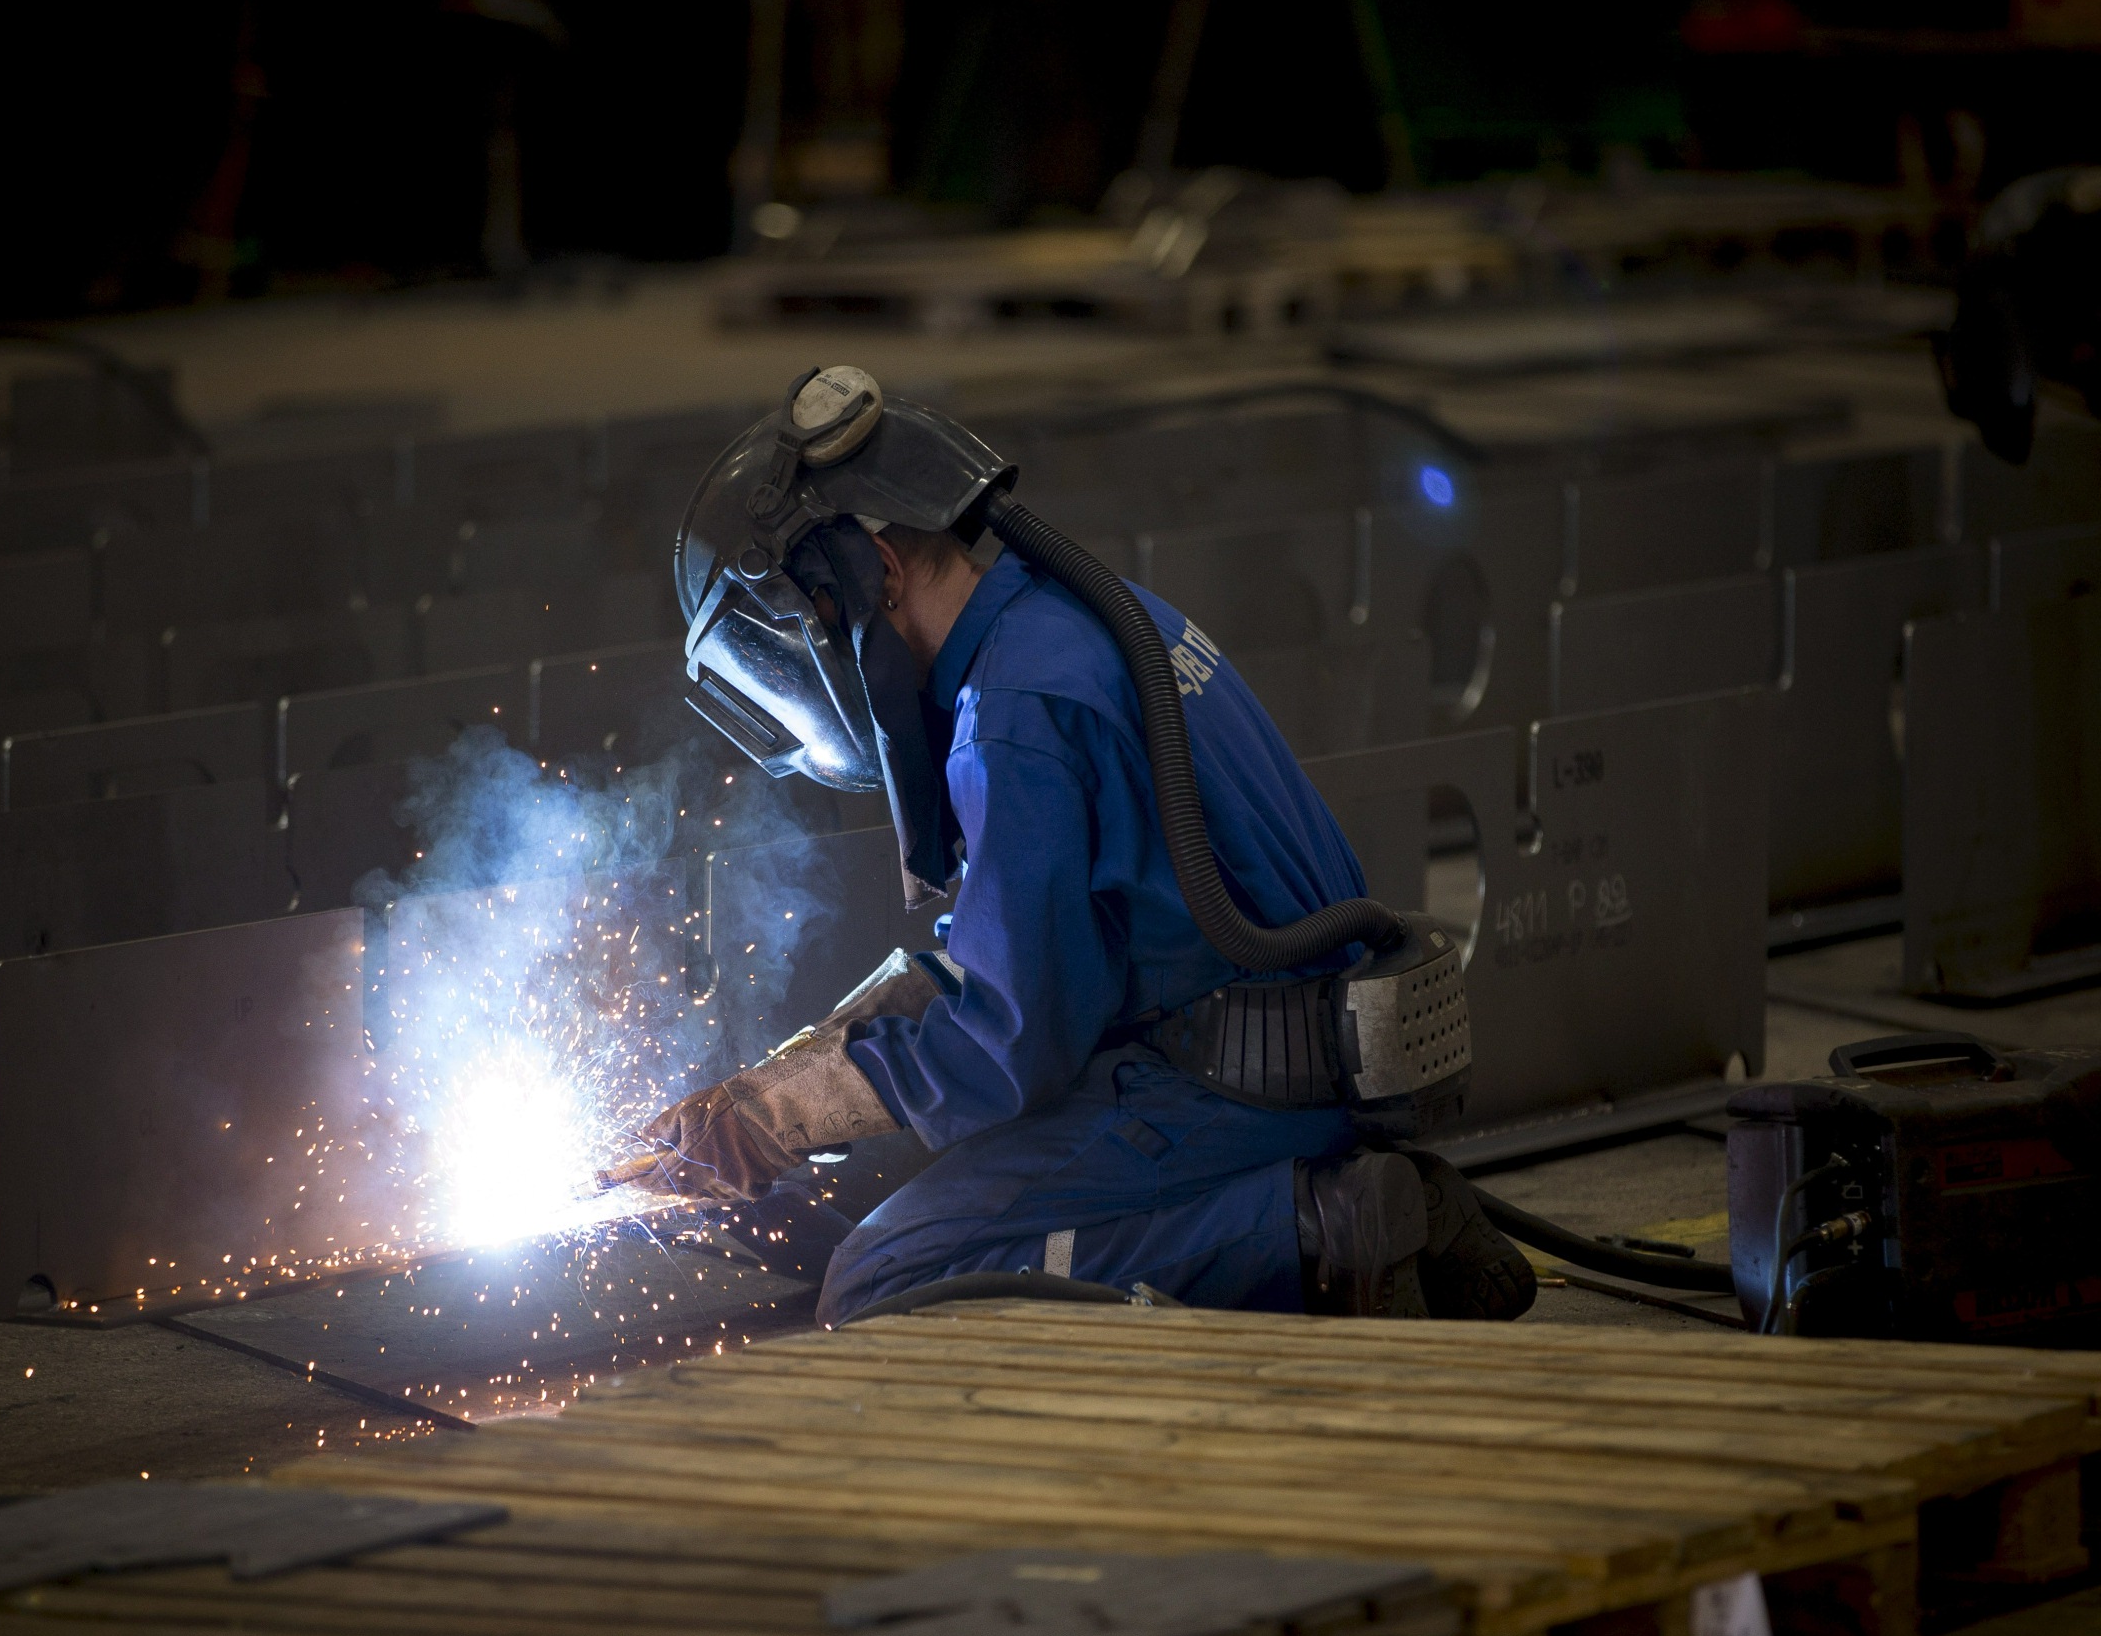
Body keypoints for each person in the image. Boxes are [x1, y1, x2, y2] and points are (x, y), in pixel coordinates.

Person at [629, 365, 1532, 1326]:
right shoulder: (1075, 622)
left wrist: (787, 1114)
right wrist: (799, 1070)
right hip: (1288, 1056)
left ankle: (1308, 1229)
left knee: (880, 1284)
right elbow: (1051, 942)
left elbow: (1016, 1041)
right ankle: (1348, 1202)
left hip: (1219, 1092)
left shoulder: (1012, 719)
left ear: (875, 574)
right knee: (889, 1193)